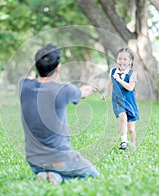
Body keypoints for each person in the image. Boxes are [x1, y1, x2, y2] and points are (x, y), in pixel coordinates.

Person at [19, 44, 99, 184]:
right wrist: (90, 88)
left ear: (36, 66)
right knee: (93, 175)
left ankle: (48, 175)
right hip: (61, 160)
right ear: (58, 67)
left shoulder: (23, 86)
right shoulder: (64, 90)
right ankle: (57, 176)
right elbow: (83, 93)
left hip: (34, 161)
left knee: (51, 170)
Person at [101, 47, 139, 150]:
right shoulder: (113, 71)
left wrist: (119, 79)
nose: (121, 61)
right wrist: (105, 93)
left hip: (130, 102)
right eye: (119, 59)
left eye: (125, 59)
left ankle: (132, 143)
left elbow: (130, 87)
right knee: (123, 117)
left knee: (131, 129)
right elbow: (110, 83)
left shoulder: (132, 74)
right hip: (118, 101)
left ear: (130, 61)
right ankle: (123, 141)